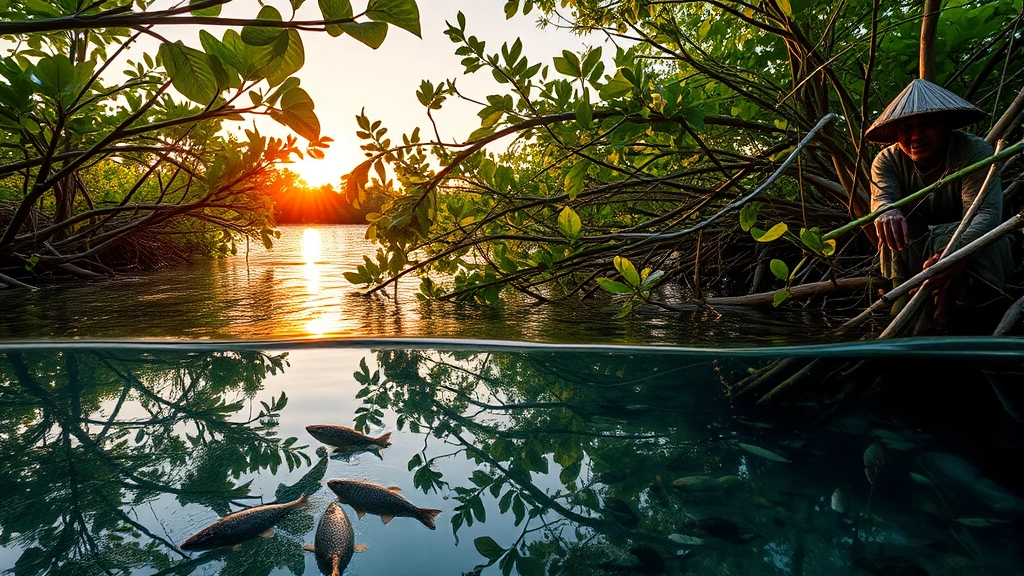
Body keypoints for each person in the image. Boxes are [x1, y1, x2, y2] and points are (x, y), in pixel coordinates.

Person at [864, 79, 1014, 332]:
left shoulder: (974, 151)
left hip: (974, 246)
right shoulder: (887, 160)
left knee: (955, 238)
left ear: (947, 125)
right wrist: (887, 211)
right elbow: (882, 200)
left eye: (927, 125)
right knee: (897, 228)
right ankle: (906, 302)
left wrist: (956, 254)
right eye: (906, 127)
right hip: (920, 254)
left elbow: (986, 214)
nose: (916, 136)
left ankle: (960, 313)